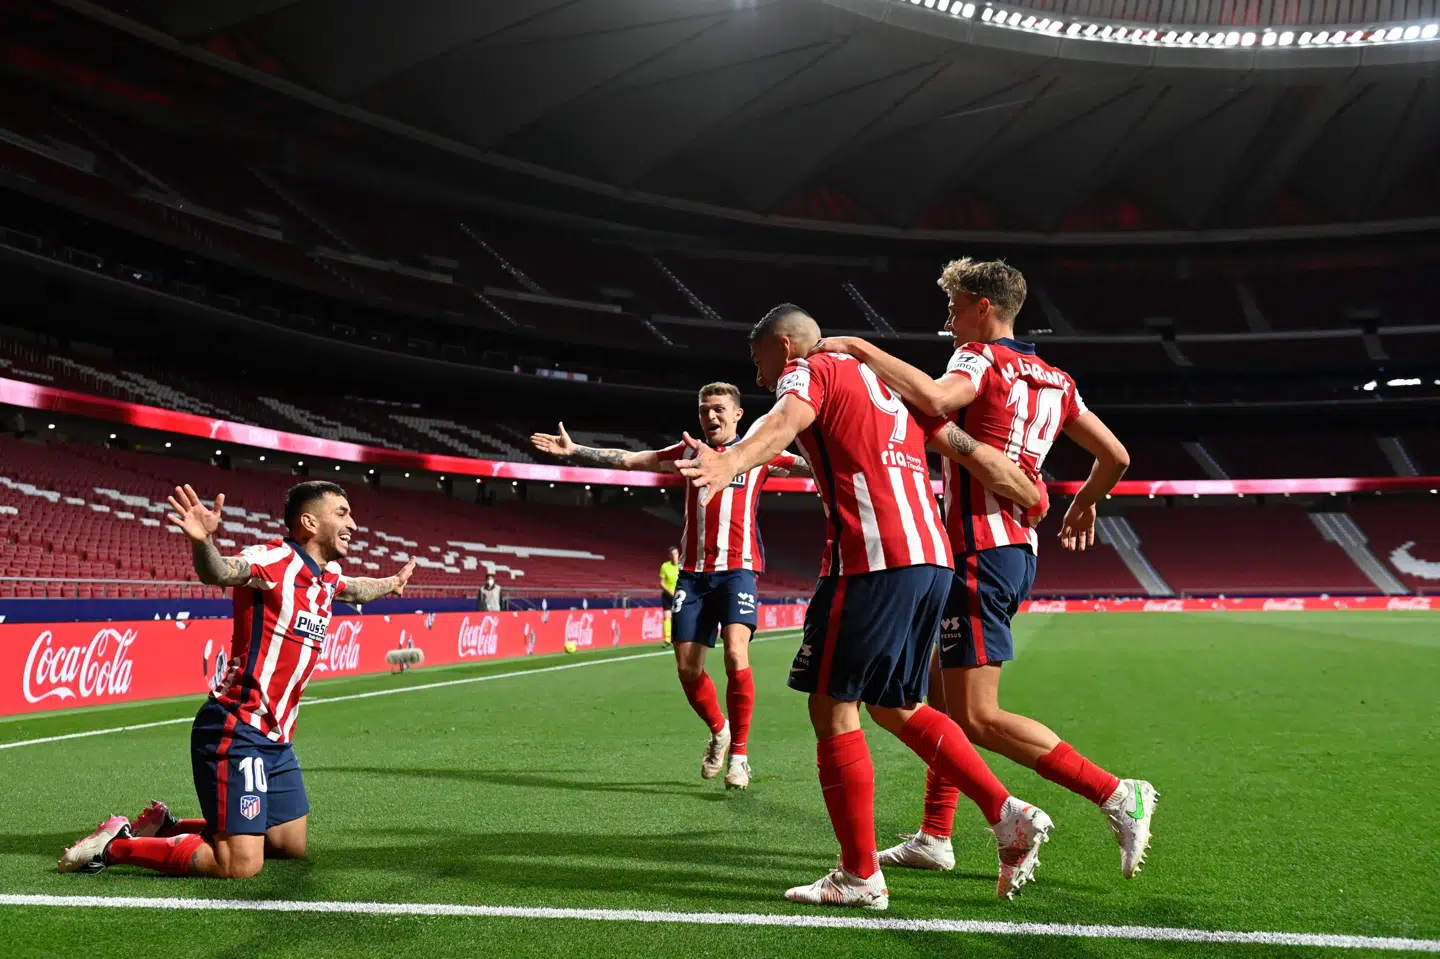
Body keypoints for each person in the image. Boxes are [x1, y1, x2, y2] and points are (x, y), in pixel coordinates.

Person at [677, 305, 1052, 908]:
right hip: (931, 557)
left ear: (783, 344)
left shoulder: (811, 368)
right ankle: (1005, 815)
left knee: (831, 706)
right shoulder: (881, 379)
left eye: (758, 359)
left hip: (872, 558)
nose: (760, 372)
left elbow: (785, 417)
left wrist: (732, 458)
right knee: (897, 704)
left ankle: (858, 875)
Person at [811, 257, 1155, 881]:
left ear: (982, 307)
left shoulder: (980, 359)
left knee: (976, 716)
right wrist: (1082, 503)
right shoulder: (1057, 379)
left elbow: (939, 398)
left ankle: (1115, 793)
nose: (947, 322)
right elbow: (1117, 456)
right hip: (1011, 550)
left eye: (953, 307)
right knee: (939, 702)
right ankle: (936, 836)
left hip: (976, 552)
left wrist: (862, 349)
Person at [57, 481, 415, 879]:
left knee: (288, 845)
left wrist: (391, 585)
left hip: (276, 737)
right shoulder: (272, 560)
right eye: (342, 513)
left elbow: (356, 589)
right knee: (240, 864)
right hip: (236, 725)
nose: (353, 524)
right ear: (309, 522)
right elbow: (222, 571)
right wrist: (201, 542)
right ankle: (112, 846)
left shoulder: (325, 577)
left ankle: (166, 827)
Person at [531, 383, 811, 791]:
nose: (710, 417)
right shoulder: (687, 453)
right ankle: (720, 730)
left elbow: (814, 466)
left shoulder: (759, 453)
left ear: (737, 416)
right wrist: (576, 452)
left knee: (736, 653)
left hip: (738, 571)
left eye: (718, 409)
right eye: (703, 411)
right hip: (694, 575)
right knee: (687, 668)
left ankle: (740, 756)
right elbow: (629, 460)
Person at [659, 546, 680, 645]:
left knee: (679, 617)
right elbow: (661, 583)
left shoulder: (681, 566)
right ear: (669, 556)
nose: (674, 556)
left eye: (676, 553)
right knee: (667, 616)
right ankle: (667, 639)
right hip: (668, 596)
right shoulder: (665, 566)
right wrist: (670, 592)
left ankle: (679, 636)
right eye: (672, 554)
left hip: (680, 596)